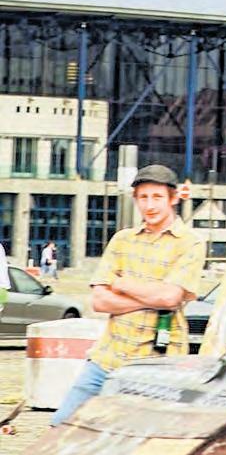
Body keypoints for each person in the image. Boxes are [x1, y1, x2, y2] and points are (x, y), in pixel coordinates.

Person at [51, 165, 206, 426]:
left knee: (135, 436)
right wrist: (152, 296)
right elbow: (100, 301)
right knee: (61, 426)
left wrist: (122, 284)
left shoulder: (190, 242)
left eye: (157, 197)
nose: (150, 205)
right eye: (143, 197)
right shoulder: (122, 240)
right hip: (107, 357)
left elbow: (170, 298)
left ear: (173, 198)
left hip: (157, 364)